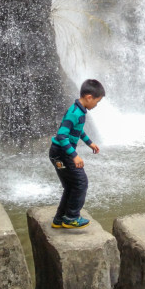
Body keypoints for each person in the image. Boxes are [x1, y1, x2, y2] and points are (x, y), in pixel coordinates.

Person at [49, 78, 105, 228]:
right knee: (81, 183)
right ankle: (71, 217)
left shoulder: (78, 110)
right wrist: (74, 155)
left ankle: (59, 219)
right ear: (89, 97)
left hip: (58, 152)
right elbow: (61, 135)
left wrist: (89, 142)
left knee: (71, 185)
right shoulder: (75, 113)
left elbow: (77, 130)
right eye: (97, 102)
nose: (96, 105)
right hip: (62, 153)